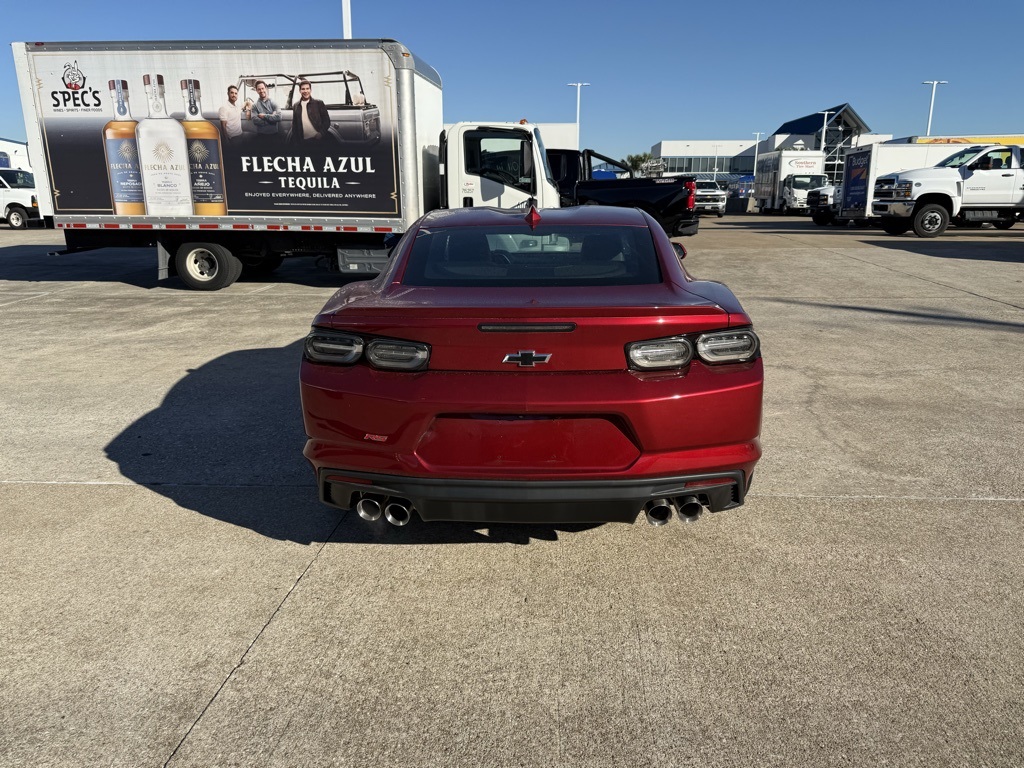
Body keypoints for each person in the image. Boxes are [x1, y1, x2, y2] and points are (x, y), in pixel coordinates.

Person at [290, 79, 332, 145]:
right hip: (303, 142)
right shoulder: (296, 105)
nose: (305, 91)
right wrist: (296, 141)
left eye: (307, 88)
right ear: (300, 91)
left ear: (311, 90)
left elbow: (327, 121)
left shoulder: (319, 103)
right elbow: (294, 125)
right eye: (303, 89)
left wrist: (321, 134)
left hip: (317, 141)